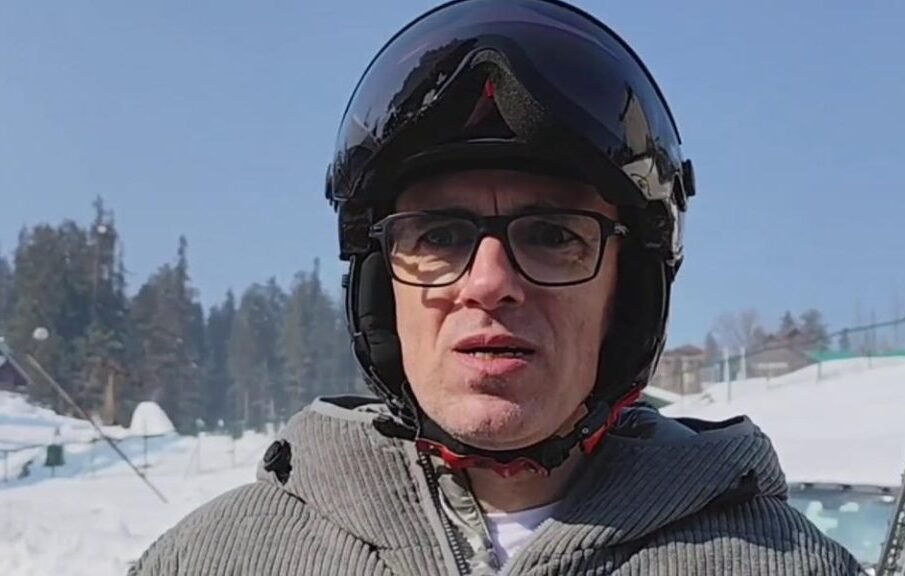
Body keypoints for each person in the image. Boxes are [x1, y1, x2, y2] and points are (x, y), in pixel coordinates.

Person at [129, 0, 864, 574]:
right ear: (381, 288)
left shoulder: (788, 566)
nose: (489, 283)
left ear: (628, 292)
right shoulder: (213, 559)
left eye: (552, 235)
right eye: (437, 236)